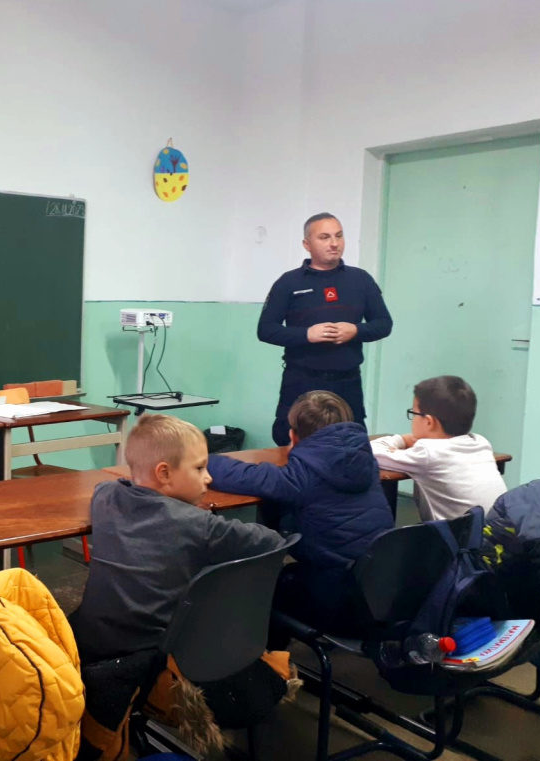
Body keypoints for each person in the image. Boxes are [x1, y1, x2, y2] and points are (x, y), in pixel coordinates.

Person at [70, 414, 284, 663]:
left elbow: (106, 486)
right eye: (199, 468)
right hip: (151, 655)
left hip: (87, 643)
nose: (208, 478)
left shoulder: (106, 498)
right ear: (164, 473)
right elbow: (272, 542)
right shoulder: (198, 524)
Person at [208, 391, 394, 634]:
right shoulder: (367, 463)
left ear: (293, 435)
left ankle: (271, 653)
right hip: (382, 593)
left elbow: (239, 475)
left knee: (259, 588)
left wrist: (201, 457)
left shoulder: (302, 476)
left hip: (339, 602)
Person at [258, 212, 393, 446]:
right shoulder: (289, 282)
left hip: (347, 382)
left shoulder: (361, 280)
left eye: (339, 236)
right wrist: (307, 335)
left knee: (351, 442)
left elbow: (383, 324)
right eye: (325, 237)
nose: (334, 243)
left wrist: (356, 331)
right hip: (301, 380)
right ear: (306, 244)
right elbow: (266, 330)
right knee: (289, 440)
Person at [371, 375, 506, 521]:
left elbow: (371, 452)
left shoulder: (428, 453)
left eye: (413, 413)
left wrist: (402, 439)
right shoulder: (480, 442)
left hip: (460, 535)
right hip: (497, 530)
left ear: (429, 422)